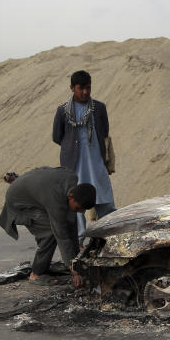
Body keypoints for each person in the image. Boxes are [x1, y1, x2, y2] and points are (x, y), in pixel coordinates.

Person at [0, 167, 96, 287]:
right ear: (71, 196)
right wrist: (73, 269)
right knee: (50, 231)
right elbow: (62, 235)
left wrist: (75, 261)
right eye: (77, 208)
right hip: (19, 206)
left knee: (67, 222)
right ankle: (36, 274)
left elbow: (72, 226)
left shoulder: (72, 180)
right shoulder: (56, 199)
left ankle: (58, 265)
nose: (80, 212)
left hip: (34, 195)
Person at [52, 70, 116, 236]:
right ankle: (78, 242)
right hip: (74, 167)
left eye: (88, 88)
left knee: (105, 201)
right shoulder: (62, 111)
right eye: (81, 88)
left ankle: (109, 236)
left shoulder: (99, 108)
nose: (85, 92)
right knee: (75, 205)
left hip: (96, 164)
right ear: (72, 88)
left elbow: (105, 133)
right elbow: (57, 137)